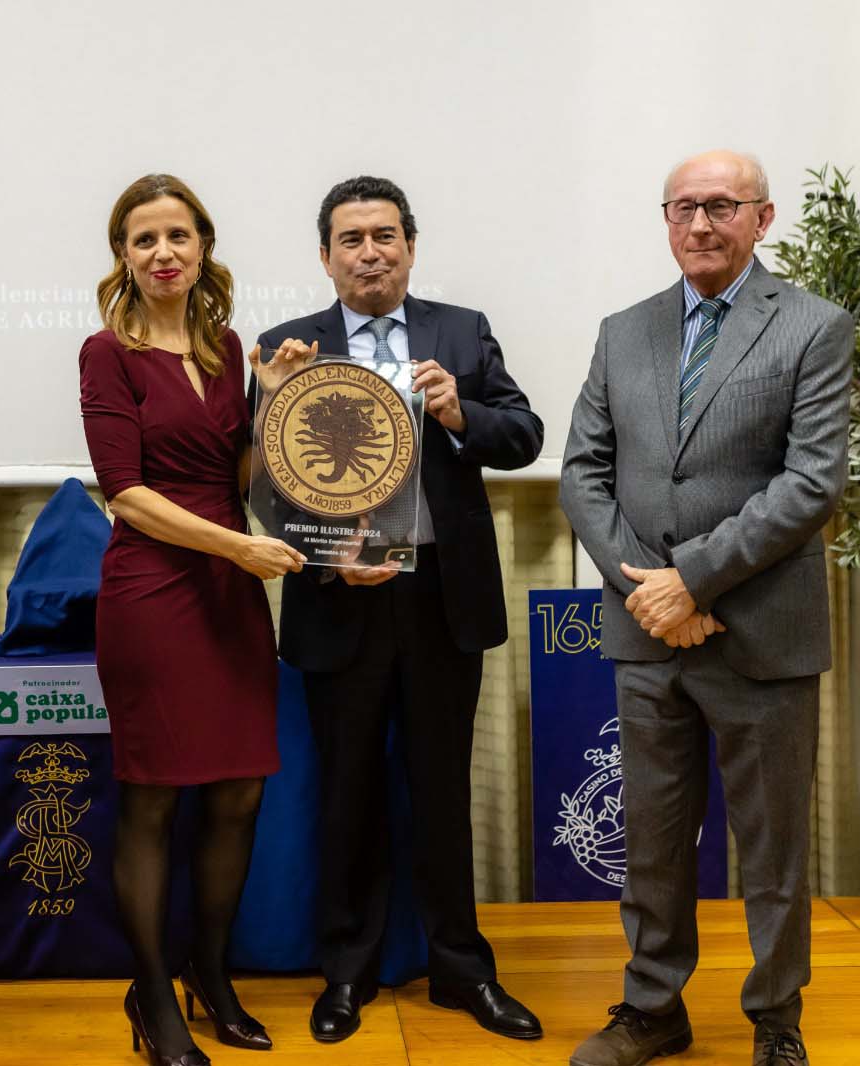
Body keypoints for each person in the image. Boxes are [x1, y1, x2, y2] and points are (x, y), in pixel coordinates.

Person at [559, 150, 853, 1066]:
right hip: (651, 635)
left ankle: (776, 1021)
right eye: (682, 207)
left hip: (762, 632)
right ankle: (652, 1008)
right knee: (651, 841)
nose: (699, 224)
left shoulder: (813, 326)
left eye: (721, 206)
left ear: (763, 218)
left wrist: (695, 580)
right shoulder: (624, 331)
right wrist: (654, 592)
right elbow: (583, 473)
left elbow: (812, 484)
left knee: (772, 849)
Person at [254, 175, 545, 1044]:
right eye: (352, 239)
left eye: (385, 236)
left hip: (439, 601)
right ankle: (346, 972)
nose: (370, 252)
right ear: (325, 256)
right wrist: (327, 553)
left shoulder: (461, 331)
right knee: (346, 795)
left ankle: (461, 969)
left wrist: (460, 412)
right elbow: (265, 488)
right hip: (339, 600)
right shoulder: (284, 345)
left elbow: (524, 433)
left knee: (441, 791)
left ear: (410, 247)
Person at [78, 173, 305, 1066]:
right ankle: (153, 997)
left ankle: (210, 977)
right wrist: (237, 549)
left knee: (240, 792)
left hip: (227, 590)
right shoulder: (108, 352)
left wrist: (270, 401)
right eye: (144, 239)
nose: (164, 252)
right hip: (155, 590)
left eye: (178, 235)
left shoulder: (226, 345)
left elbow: (245, 480)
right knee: (152, 800)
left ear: (203, 246)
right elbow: (125, 493)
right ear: (124, 257)